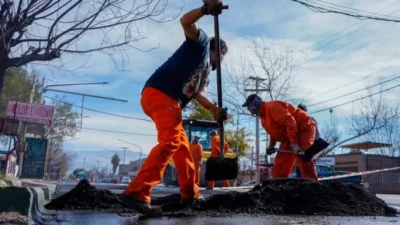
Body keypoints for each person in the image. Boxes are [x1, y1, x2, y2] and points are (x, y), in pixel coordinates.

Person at [120, 0, 229, 216]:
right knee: (170, 142)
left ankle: (190, 195)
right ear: (221, 51)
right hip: (162, 94)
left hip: (169, 102)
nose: (222, 63)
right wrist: (205, 10)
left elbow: (200, 93)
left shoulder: (204, 73)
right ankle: (137, 193)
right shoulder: (202, 44)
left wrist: (214, 109)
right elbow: (186, 22)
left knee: (181, 149)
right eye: (223, 58)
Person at [241, 94, 318, 181]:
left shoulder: (272, 106)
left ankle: (314, 185)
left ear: (255, 103)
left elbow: (290, 121)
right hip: (289, 135)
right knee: (279, 166)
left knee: (302, 158)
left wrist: (295, 144)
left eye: (249, 106)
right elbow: (274, 133)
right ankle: (278, 187)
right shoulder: (263, 118)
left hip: (303, 128)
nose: (249, 109)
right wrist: (271, 146)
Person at [296, 103, 320, 178]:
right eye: (299, 110)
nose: (300, 112)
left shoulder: (310, 120)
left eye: (302, 110)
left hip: (310, 147)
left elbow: (315, 136)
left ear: (305, 111)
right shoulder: (297, 121)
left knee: (308, 168)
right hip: (303, 148)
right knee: (301, 168)